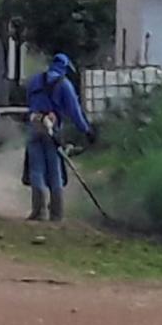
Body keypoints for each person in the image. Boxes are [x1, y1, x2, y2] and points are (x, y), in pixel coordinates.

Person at [24, 52, 95, 222]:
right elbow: (74, 111)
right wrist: (86, 131)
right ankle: (56, 213)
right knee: (54, 169)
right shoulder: (64, 85)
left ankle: (39, 211)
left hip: (35, 124)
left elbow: (29, 103)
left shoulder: (35, 80)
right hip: (52, 127)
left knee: (36, 169)